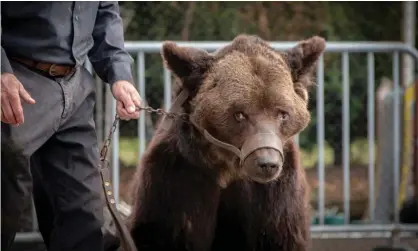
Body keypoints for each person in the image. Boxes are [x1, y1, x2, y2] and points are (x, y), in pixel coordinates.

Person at [1, 2, 143, 250]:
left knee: (85, 217)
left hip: (75, 89)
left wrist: (119, 74)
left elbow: (105, 12)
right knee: (6, 207)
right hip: (16, 83)